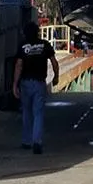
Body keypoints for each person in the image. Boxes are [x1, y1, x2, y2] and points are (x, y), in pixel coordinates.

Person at [13, 21, 60, 154]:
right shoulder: (45, 45)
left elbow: (19, 65)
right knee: (38, 113)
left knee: (26, 112)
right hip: (39, 83)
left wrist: (15, 84)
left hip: (25, 83)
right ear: (38, 32)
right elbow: (54, 62)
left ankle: (26, 141)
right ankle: (37, 141)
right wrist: (56, 76)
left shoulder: (22, 46)